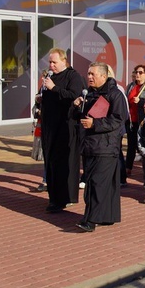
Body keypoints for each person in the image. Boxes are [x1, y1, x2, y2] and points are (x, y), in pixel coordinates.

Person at [73, 62, 129, 232]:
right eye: (88, 73)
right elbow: (81, 119)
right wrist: (76, 107)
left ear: (104, 77)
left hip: (106, 147)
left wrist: (95, 123)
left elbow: (119, 119)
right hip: (90, 146)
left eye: (93, 74)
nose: (89, 77)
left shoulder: (115, 95)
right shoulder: (89, 94)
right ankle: (108, 216)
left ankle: (90, 220)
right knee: (105, 185)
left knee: (96, 184)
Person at [39, 48, 83, 213]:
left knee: (62, 163)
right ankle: (53, 197)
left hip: (65, 126)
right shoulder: (49, 77)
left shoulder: (73, 76)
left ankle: (64, 198)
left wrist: (54, 88)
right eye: (50, 62)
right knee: (50, 162)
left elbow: (74, 96)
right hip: (49, 126)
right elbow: (47, 94)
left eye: (54, 62)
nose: (51, 65)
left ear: (64, 61)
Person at [124, 64, 145, 176]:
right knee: (131, 145)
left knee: (143, 145)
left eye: (140, 72)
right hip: (131, 121)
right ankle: (128, 167)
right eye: (136, 72)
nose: (137, 74)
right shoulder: (130, 86)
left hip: (143, 122)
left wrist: (142, 100)